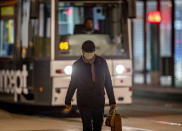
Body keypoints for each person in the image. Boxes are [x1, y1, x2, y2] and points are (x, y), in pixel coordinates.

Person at [65, 40, 116, 131]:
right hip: (84, 101)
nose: (89, 54)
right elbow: (73, 83)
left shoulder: (102, 63)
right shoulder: (77, 65)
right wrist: (68, 100)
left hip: (98, 100)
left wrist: (112, 100)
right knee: (87, 126)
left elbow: (108, 82)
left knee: (98, 126)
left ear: (94, 51)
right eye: (87, 52)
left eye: (91, 52)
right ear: (82, 51)